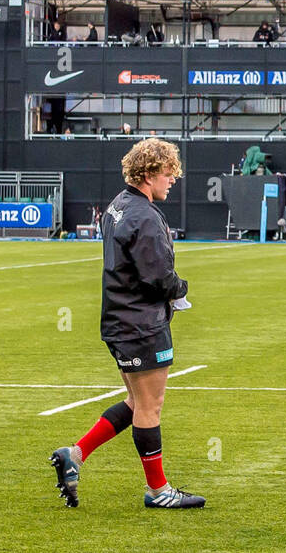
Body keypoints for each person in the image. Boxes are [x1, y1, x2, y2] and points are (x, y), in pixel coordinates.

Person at [49, 138, 204, 512]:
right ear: (149, 174)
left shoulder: (118, 206)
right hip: (140, 324)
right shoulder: (145, 216)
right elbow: (158, 278)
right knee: (150, 406)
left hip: (119, 321)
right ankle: (158, 489)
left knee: (137, 401)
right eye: (169, 174)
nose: (172, 181)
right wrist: (180, 289)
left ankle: (76, 453)